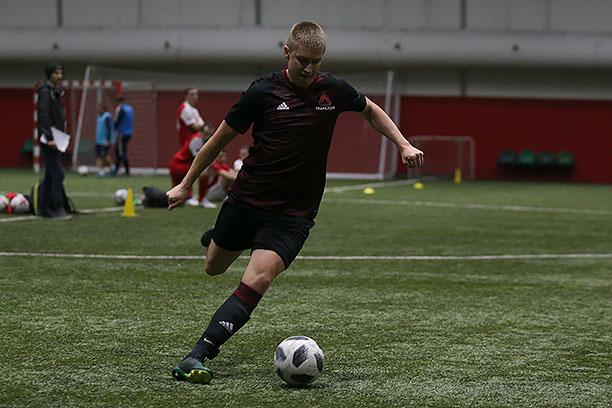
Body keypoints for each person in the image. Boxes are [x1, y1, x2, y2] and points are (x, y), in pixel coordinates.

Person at [166, 21, 424, 384]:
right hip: (247, 200)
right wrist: (185, 185)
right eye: (303, 60)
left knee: (259, 276)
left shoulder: (332, 90)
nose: (309, 68)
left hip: (294, 214)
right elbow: (218, 140)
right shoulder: (262, 91)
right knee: (213, 267)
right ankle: (220, 237)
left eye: (316, 62)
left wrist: (403, 143)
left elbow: (370, 110)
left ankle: (198, 354)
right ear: (287, 53)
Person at [36, 62, 71, 219]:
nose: (59, 76)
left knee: (51, 174)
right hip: (50, 139)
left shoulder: (55, 92)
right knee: (58, 173)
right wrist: (49, 138)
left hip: (57, 137)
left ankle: (43, 207)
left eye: (60, 73)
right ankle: (58, 207)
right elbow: (43, 116)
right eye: (56, 73)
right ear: (49, 74)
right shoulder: (45, 92)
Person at [168, 122, 216, 207]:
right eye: (206, 134)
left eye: (210, 134)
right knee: (204, 172)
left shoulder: (201, 139)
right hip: (180, 165)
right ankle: (202, 199)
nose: (208, 136)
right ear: (201, 132)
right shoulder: (196, 141)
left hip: (178, 164)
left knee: (175, 199)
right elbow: (199, 161)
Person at [110, 95, 133, 176]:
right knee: (119, 150)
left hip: (122, 133)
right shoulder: (129, 108)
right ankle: (117, 169)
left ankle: (126, 171)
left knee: (121, 152)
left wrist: (113, 129)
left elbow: (117, 120)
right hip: (129, 133)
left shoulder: (120, 109)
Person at [95, 103, 114, 177]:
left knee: (104, 155)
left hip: (104, 140)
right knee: (99, 156)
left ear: (103, 108)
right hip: (98, 140)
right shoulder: (99, 117)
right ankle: (101, 172)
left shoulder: (107, 116)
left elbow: (109, 129)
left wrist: (107, 140)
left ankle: (112, 167)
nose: (97, 109)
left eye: (99, 108)